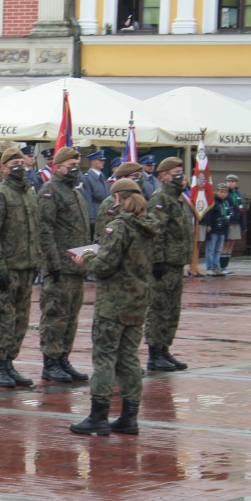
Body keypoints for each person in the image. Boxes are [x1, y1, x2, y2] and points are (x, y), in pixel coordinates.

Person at [69, 179, 158, 435]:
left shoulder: (118, 226)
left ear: (118, 198)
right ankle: (129, 417)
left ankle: (99, 416)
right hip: (138, 299)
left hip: (114, 301)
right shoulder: (148, 226)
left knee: (105, 357)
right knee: (129, 358)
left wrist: (85, 258)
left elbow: (105, 265)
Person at [37, 147, 90, 383]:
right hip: (59, 266)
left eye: (77, 165)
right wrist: (52, 263)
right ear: (57, 167)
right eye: (71, 165)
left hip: (76, 265)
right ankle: (51, 361)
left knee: (70, 317)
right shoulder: (50, 191)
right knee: (55, 315)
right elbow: (44, 229)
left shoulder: (75, 192)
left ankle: (63, 359)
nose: (75, 170)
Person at [0, 148, 41, 389]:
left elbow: (35, 229)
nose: (20, 166)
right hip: (8, 267)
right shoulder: (0, 194)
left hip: (27, 266)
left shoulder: (28, 192)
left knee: (21, 319)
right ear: (4, 168)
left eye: (23, 162)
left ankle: (8, 361)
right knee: (4, 318)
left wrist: (37, 260)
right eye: (15, 163)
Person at [145, 157, 192, 372]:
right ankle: (155, 353)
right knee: (159, 308)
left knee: (172, 309)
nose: (180, 176)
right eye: (175, 173)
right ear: (164, 176)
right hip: (164, 263)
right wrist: (158, 259)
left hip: (176, 261)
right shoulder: (160, 197)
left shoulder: (177, 198)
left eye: (181, 172)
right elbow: (156, 231)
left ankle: (164, 349)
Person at [94, 162, 145, 239]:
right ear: (123, 178)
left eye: (141, 176)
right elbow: (101, 233)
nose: (139, 179)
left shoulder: (139, 199)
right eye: (136, 176)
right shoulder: (110, 202)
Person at [203, 183, 241, 276]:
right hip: (214, 229)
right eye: (221, 192)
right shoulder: (213, 202)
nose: (223, 194)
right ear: (217, 192)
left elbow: (227, 214)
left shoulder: (226, 202)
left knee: (218, 250)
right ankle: (210, 268)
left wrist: (227, 224)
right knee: (211, 249)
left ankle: (217, 267)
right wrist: (208, 224)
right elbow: (208, 214)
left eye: (225, 192)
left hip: (222, 230)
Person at [220, 174, 247, 274]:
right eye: (228, 181)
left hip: (236, 222)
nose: (230, 183)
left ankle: (226, 266)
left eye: (232, 181)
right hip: (229, 222)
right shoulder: (226, 194)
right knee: (225, 244)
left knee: (231, 244)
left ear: (236, 183)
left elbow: (240, 210)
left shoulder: (237, 194)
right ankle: (221, 267)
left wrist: (243, 225)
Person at [80, 149, 109, 238]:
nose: (103, 162)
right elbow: (88, 199)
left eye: (103, 160)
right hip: (96, 215)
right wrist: (91, 219)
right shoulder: (88, 178)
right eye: (100, 160)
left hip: (105, 214)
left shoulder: (101, 175)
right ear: (92, 161)